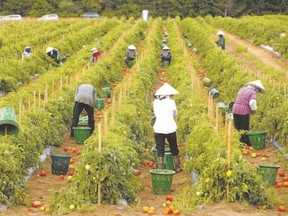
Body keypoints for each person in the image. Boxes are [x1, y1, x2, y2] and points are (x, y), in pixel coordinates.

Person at [153, 83, 182, 173]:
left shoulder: (155, 102)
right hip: (170, 128)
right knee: (174, 147)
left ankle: (159, 168)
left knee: (160, 149)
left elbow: (155, 113)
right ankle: (177, 167)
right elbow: (175, 113)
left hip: (158, 128)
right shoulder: (171, 102)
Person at [232, 80, 265, 146]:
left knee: (237, 127)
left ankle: (238, 142)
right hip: (244, 110)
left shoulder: (242, 89)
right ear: (256, 88)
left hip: (235, 108)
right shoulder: (252, 92)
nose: (257, 91)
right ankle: (246, 143)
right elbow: (252, 102)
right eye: (258, 89)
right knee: (244, 128)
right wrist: (253, 110)